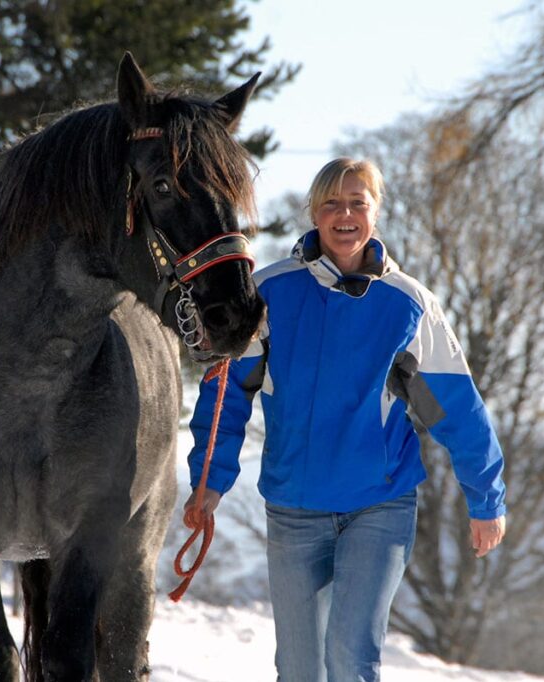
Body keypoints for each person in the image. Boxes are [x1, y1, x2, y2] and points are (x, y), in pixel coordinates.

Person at [183, 157, 507, 682]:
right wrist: (208, 481)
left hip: (377, 506)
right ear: (314, 212)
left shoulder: (407, 304)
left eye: (358, 202)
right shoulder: (268, 293)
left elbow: (451, 408)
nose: (345, 214)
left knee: (350, 658)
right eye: (332, 202)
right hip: (294, 509)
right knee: (299, 668)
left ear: (376, 212)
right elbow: (227, 395)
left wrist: (486, 498)